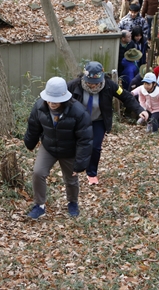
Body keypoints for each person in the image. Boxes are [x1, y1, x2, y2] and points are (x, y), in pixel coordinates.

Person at [24, 77, 93, 220]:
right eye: (49, 100)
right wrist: (30, 143)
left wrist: (80, 163)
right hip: (49, 146)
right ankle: (39, 206)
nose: (51, 103)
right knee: (38, 172)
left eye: (55, 101)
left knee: (71, 178)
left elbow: (85, 139)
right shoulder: (39, 107)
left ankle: (72, 202)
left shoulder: (78, 111)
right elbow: (33, 127)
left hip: (69, 150)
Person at [68, 61, 148, 185]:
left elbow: (126, 97)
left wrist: (139, 110)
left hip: (99, 121)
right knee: (78, 145)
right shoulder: (74, 85)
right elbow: (59, 98)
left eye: (95, 83)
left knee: (95, 147)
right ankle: (75, 168)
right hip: (79, 121)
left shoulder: (110, 85)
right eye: (89, 83)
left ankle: (92, 173)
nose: (93, 86)